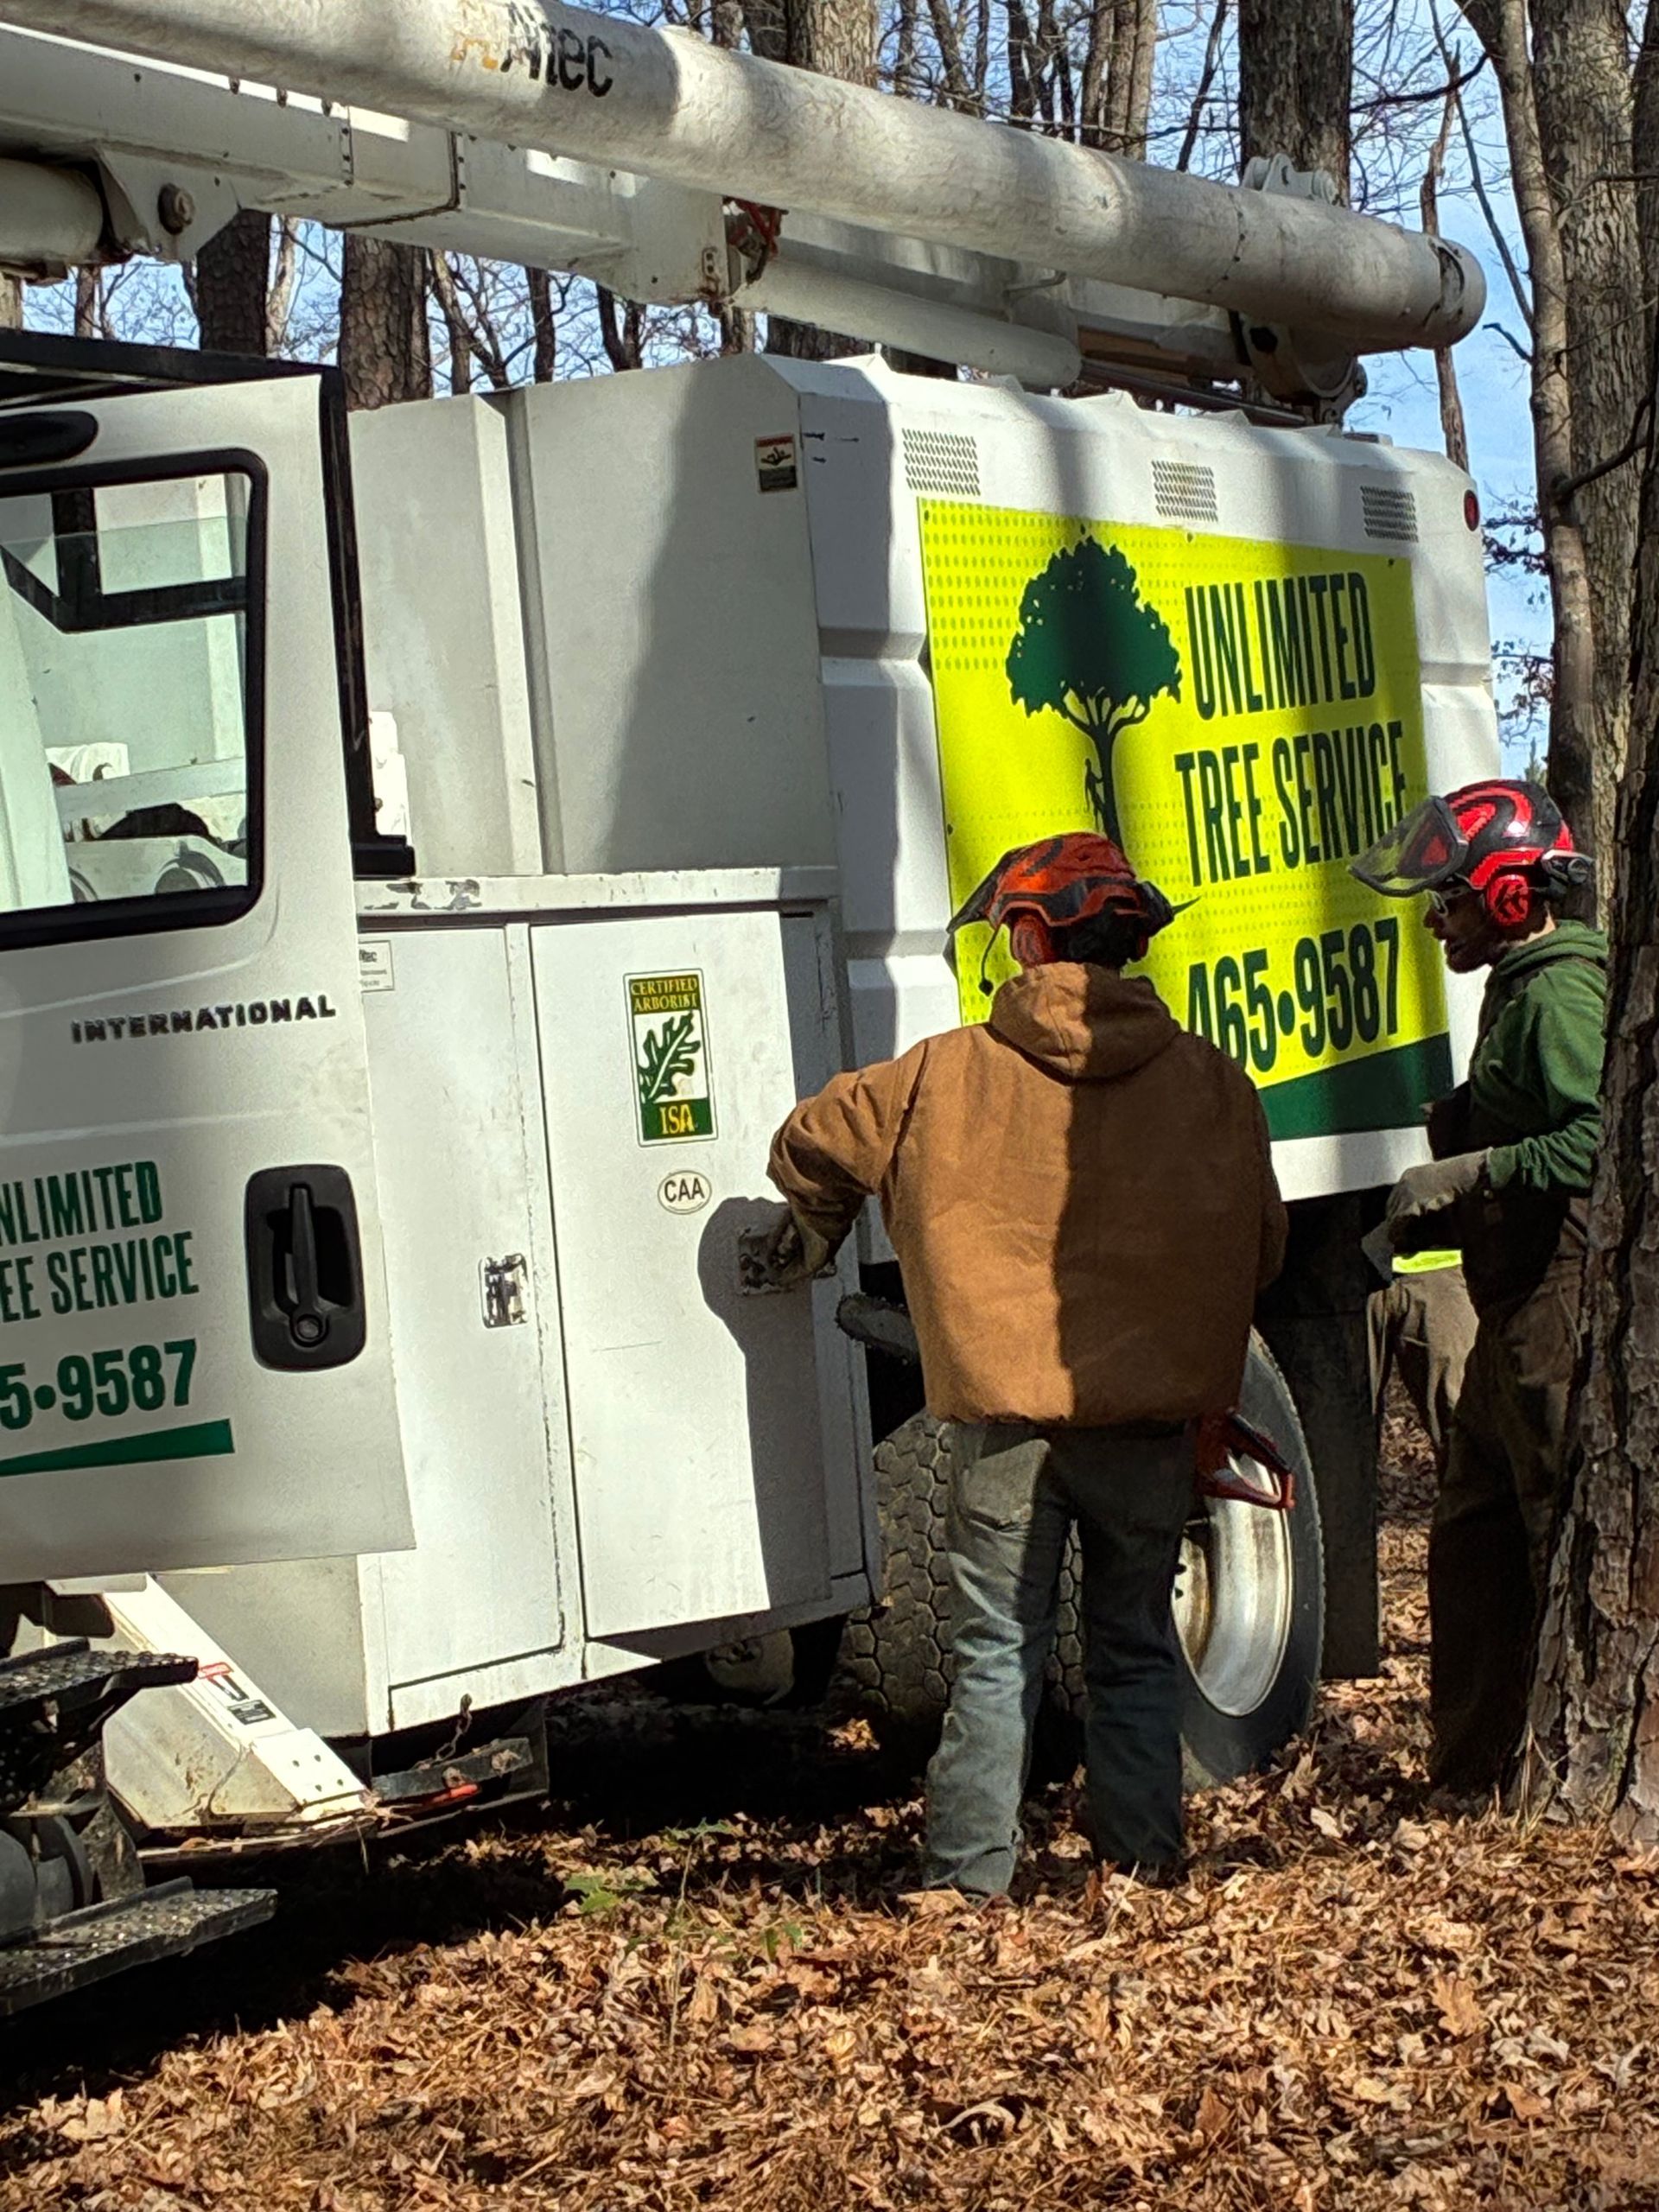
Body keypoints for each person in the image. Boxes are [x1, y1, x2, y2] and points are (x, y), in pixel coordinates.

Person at [755, 833, 1287, 1894]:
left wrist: (816, 1223)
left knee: (997, 1655)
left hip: (1006, 1434)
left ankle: (966, 1884)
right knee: (1135, 1649)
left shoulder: (940, 1078)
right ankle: (1142, 1865)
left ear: (1032, 936)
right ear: (1127, 941)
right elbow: (1261, 1247)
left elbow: (809, 1138)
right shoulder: (1215, 1086)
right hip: (1144, 1431)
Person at [1351, 779, 1605, 1793]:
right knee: (1471, 1544)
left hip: (1559, 1301)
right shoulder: (1520, 985)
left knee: (1555, 1541)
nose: (1434, 916)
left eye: (1450, 897)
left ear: (1510, 896)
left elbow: (1599, 1137)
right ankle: (1468, 1775)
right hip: (1507, 1309)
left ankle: (1572, 1774)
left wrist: (1478, 1170)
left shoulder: (1562, 993)